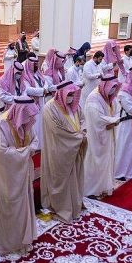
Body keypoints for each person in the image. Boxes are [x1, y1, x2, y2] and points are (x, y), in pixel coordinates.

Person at [0, 96, 39, 255]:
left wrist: (30, 148)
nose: (30, 121)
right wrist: (27, 151)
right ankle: (8, 243)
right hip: (6, 176)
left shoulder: (25, 121)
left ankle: (22, 239)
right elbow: (2, 153)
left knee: (23, 204)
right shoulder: (1, 125)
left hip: (23, 173)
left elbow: (34, 139)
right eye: (27, 116)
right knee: (9, 205)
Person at [41, 81, 87, 222]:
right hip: (59, 150)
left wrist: (83, 132)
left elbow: (83, 120)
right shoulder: (50, 108)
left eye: (74, 94)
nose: (72, 98)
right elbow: (57, 131)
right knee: (60, 179)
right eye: (69, 95)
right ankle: (61, 208)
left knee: (75, 178)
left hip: (74, 147)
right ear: (61, 94)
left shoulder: (75, 107)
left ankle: (74, 205)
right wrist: (78, 137)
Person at [84, 76, 121, 197]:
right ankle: (91, 190)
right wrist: (112, 121)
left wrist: (114, 121)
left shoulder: (109, 96)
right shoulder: (93, 98)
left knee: (107, 159)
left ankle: (103, 186)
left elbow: (116, 109)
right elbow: (96, 118)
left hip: (108, 133)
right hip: (96, 135)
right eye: (112, 87)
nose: (113, 90)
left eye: (115, 87)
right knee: (95, 161)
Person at [21, 53, 50, 148]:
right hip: (33, 103)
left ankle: (41, 144)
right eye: (34, 64)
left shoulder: (38, 74)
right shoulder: (25, 76)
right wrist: (42, 90)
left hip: (41, 102)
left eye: (37, 64)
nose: (36, 66)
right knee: (34, 124)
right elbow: (28, 89)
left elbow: (44, 82)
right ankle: (34, 145)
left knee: (41, 123)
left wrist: (45, 88)